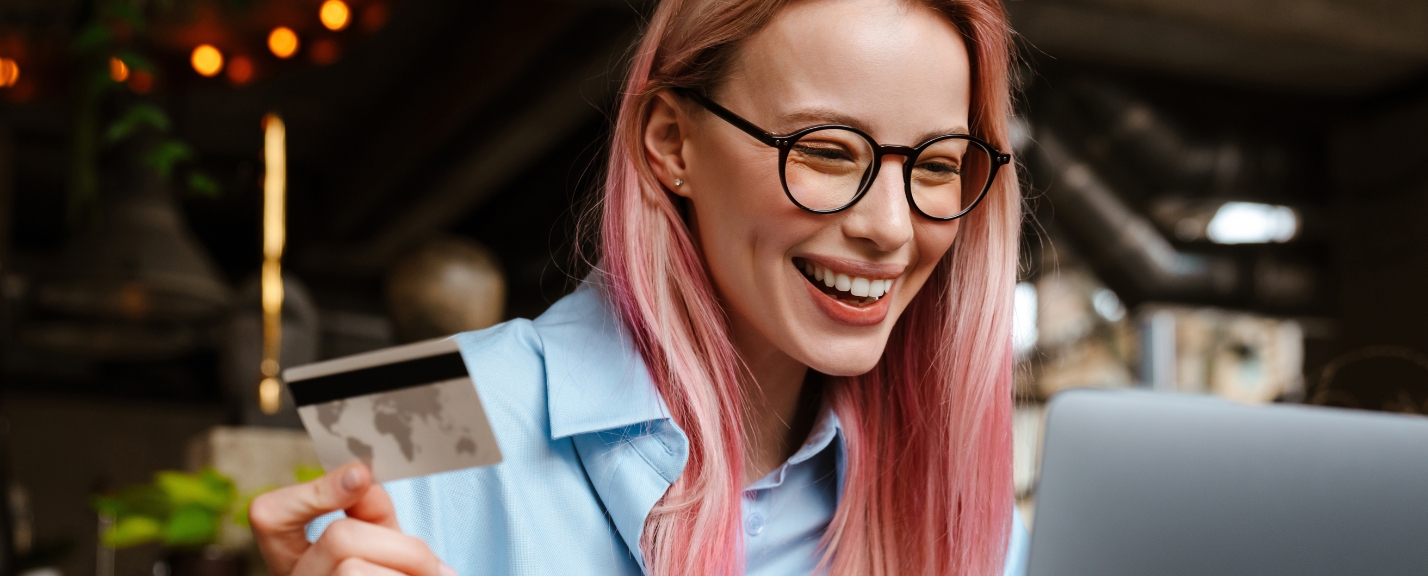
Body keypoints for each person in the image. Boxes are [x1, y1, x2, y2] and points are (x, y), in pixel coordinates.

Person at [248, 0, 1023, 572]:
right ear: (670, 142)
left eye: (936, 167)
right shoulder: (399, 406)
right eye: (825, 152)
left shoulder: (958, 498)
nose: (890, 226)